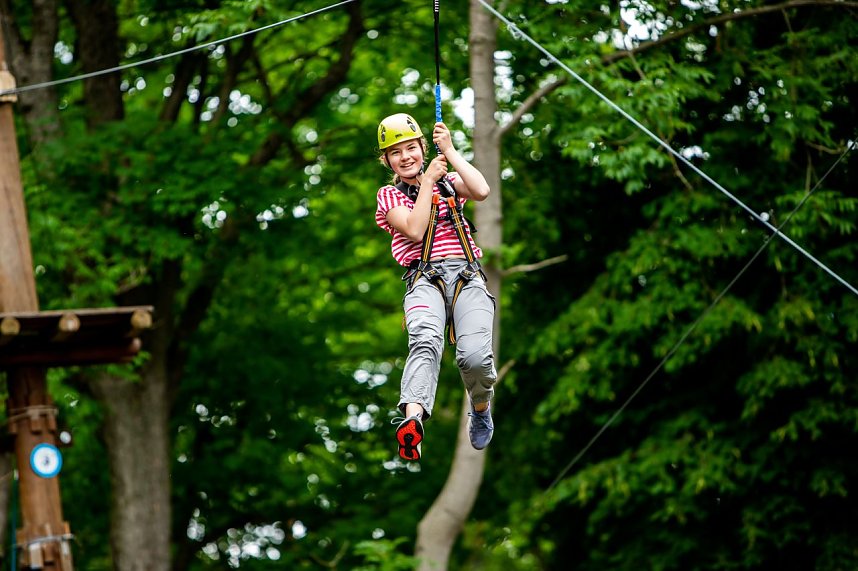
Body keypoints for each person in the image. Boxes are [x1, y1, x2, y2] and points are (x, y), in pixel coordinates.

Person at [375, 112, 497, 461]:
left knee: (474, 357)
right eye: (396, 152)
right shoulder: (389, 196)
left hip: (467, 277)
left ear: (423, 147)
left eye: (411, 148)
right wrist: (427, 181)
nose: (406, 157)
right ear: (387, 160)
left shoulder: (447, 181)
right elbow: (414, 229)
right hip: (424, 280)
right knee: (425, 340)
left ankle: (480, 404)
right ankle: (412, 418)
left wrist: (451, 150)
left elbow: (482, 190)